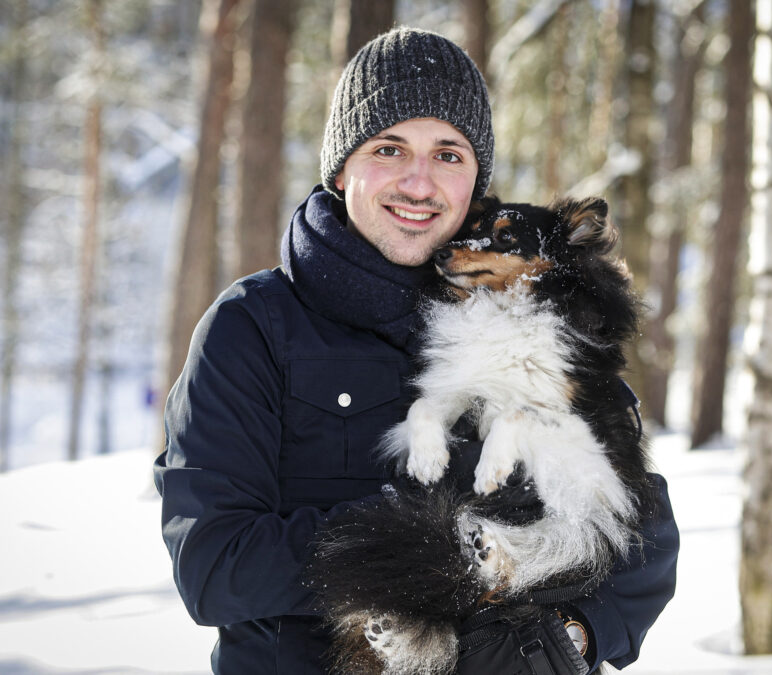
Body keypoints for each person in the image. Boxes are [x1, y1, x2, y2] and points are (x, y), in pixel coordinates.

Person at [154, 26, 678, 674]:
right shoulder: (253, 327)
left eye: (449, 155)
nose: (419, 183)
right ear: (343, 164)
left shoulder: (542, 321)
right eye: (390, 147)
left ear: (475, 183)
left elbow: (645, 531)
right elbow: (215, 564)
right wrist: (435, 526)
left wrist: (573, 637)